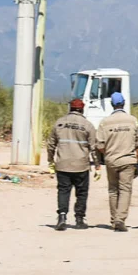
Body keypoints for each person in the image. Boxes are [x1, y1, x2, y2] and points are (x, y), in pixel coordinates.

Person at [47, 99, 98, 231]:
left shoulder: (59, 123)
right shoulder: (88, 125)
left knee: (63, 191)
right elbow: (94, 148)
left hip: (63, 164)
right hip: (81, 165)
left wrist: (50, 161)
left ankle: (62, 217)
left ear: (70, 108)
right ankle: (80, 219)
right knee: (81, 192)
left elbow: (51, 144)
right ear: (82, 109)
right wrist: (97, 165)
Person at [96, 92, 138, 232]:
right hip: (128, 160)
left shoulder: (105, 122)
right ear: (123, 103)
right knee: (125, 190)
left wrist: (109, 154)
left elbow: (100, 146)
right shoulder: (132, 120)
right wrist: (137, 163)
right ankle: (120, 219)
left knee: (113, 190)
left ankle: (113, 220)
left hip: (111, 160)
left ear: (112, 104)